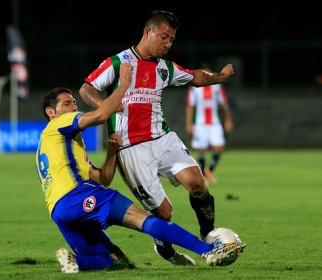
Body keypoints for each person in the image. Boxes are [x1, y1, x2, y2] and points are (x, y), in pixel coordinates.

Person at [35, 63, 245, 273]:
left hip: (59, 212)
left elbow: (102, 179)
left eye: (73, 102)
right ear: (51, 112)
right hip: (77, 196)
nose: (74, 107)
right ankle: (207, 250)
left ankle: (75, 262)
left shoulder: (57, 146)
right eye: (66, 104)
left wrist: (112, 152)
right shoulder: (58, 124)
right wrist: (124, 84)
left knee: (117, 262)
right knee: (141, 219)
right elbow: (100, 115)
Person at [79, 10, 236, 265]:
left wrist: (219, 77)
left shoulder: (164, 68)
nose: (167, 44)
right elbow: (87, 88)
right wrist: (104, 105)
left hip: (162, 138)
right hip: (130, 148)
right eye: (164, 37)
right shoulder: (119, 63)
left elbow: (194, 76)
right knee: (164, 212)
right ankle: (164, 247)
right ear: (147, 32)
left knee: (197, 182)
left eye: (172, 39)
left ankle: (209, 233)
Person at [185, 63, 234, 185]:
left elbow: (224, 104)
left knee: (219, 147)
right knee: (201, 149)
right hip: (200, 123)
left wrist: (228, 119)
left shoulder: (217, 87)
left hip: (214, 122)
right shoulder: (194, 88)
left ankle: (209, 170)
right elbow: (190, 106)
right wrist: (189, 123)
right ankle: (203, 175)